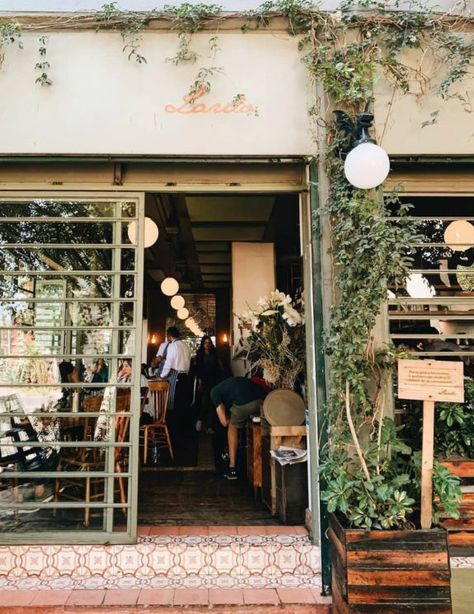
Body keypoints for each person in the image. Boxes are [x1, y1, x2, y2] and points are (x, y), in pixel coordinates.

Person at [210, 376, 268, 480]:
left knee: (232, 427)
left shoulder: (214, 392)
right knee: (244, 420)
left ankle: (232, 469)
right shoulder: (230, 383)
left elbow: (224, 422)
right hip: (263, 401)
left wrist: (232, 420)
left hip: (243, 401)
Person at [160, 326, 192, 414]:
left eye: (167, 336)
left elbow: (168, 363)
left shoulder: (172, 346)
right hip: (186, 376)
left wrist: (162, 376)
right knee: (183, 404)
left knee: (173, 403)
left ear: (169, 336)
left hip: (176, 377)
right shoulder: (186, 346)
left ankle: (173, 425)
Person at [194, 335, 223, 433]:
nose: (207, 345)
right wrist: (200, 381)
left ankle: (209, 426)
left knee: (212, 403)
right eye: (205, 343)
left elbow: (218, 368)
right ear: (202, 344)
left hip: (213, 381)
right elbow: (198, 369)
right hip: (204, 381)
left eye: (209, 343)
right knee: (204, 402)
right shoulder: (199, 355)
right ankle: (200, 420)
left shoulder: (214, 354)